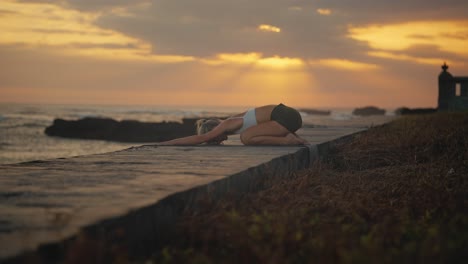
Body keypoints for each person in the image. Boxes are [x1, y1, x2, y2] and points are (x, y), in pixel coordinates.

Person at [158, 103, 308, 146]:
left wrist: (166, 143)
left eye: (214, 139)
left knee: (246, 138)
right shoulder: (233, 120)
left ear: (215, 129)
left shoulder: (228, 123)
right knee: (250, 135)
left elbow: (200, 138)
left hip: (285, 116)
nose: (218, 141)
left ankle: (288, 140)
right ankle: (290, 136)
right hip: (289, 117)